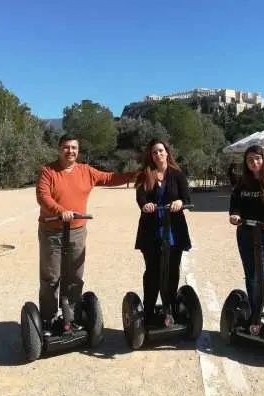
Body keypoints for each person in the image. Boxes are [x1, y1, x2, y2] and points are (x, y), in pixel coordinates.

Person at [36, 134, 137, 334]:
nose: (70, 151)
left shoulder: (86, 171)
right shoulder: (48, 171)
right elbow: (43, 196)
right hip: (52, 232)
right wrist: (60, 211)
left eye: (74, 147)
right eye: (66, 147)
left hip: (77, 231)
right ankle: (48, 320)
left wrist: (134, 175)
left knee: (74, 276)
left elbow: (109, 178)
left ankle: (72, 318)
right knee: (51, 278)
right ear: (59, 149)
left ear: (78, 150)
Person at [228, 145, 264, 336]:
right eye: (250, 159)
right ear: (246, 162)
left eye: (257, 159)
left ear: (263, 160)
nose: (254, 162)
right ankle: (254, 315)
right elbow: (235, 202)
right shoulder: (242, 183)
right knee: (251, 275)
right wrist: (234, 214)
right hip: (245, 232)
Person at [134, 139, 192, 328]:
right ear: (150, 156)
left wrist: (180, 202)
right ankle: (149, 310)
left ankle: (169, 308)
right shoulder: (145, 174)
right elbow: (140, 197)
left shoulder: (177, 174)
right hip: (151, 230)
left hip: (174, 229)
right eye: (154, 152)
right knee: (153, 271)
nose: (158, 154)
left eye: (160, 151)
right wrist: (146, 205)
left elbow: (186, 197)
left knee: (172, 271)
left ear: (167, 152)